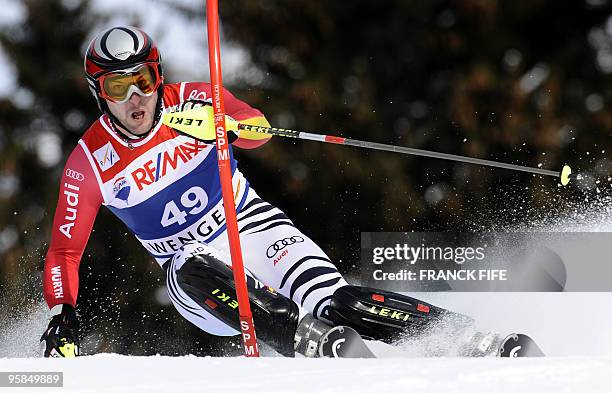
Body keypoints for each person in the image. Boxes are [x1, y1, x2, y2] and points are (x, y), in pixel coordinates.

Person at [40, 26, 469, 358]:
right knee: (189, 261)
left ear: (158, 76)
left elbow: (259, 129)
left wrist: (227, 128)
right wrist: (63, 313)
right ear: (100, 93)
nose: (136, 97)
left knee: (334, 300)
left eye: (144, 79)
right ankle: (302, 338)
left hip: (253, 227)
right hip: (197, 280)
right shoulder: (90, 162)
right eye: (118, 86)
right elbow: (64, 253)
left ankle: (464, 338)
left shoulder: (194, 100)